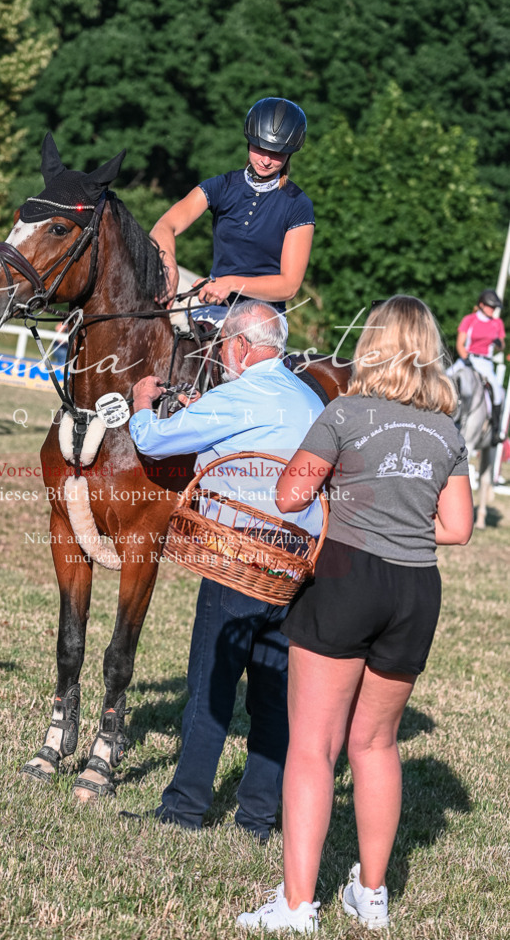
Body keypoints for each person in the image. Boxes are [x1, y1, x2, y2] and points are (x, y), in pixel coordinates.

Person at [237, 296, 473, 932]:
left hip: (345, 578)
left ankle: (296, 905)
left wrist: (345, 511)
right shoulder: (447, 431)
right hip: (415, 589)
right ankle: (372, 895)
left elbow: (290, 495)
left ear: (371, 343)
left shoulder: (345, 413)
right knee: (377, 744)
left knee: (313, 747)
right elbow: (458, 528)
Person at [126, 300, 324, 842]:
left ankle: (185, 807)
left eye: (223, 347)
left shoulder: (238, 394)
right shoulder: (309, 398)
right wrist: (204, 411)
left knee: (210, 686)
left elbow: (153, 440)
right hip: (294, 567)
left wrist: (144, 403)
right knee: (271, 697)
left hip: (236, 559)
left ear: (239, 346)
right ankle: (257, 819)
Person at [150, 97, 313, 321]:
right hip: (214, 308)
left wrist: (231, 283)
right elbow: (165, 225)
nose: (266, 160)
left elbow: (289, 286)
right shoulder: (222, 185)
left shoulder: (298, 203)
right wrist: (169, 267)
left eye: (277, 153)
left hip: (264, 317)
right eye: (260, 148)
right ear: (248, 142)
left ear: (290, 154)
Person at [455, 288, 506, 444]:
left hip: (485, 362)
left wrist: (499, 343)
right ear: (482, 305)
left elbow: (502, 346)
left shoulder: (497, 323)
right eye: (490, 306)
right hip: (468, 359)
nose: (492, 310)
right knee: (444, 378)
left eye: (494, 308)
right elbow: (460, 344)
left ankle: (495, 431)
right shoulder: (469, 319)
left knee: (497, 393)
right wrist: (466, 358)